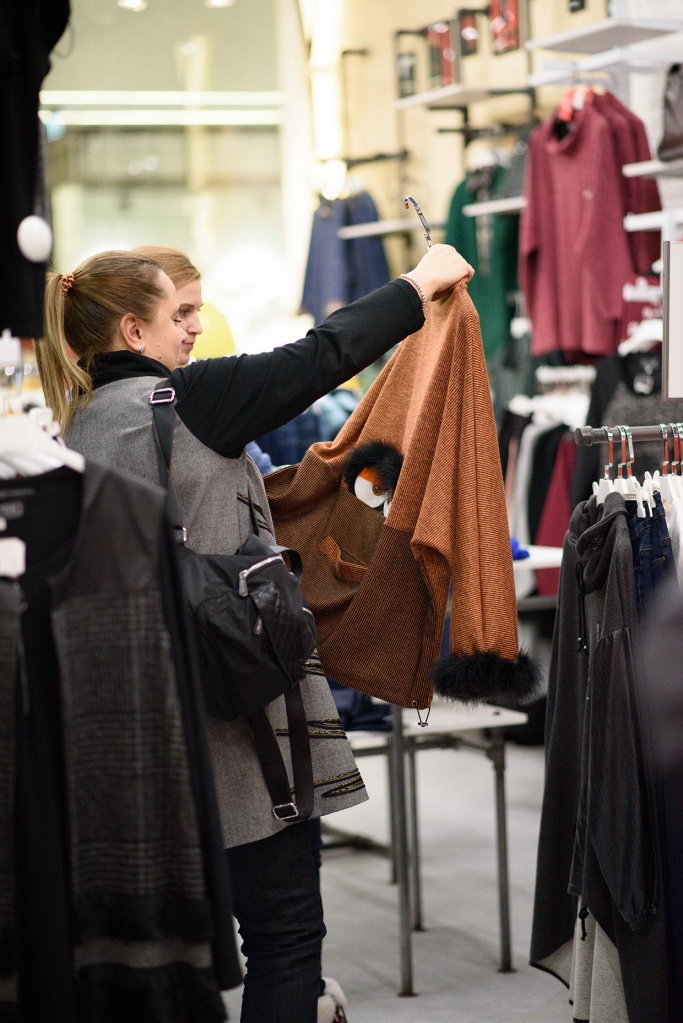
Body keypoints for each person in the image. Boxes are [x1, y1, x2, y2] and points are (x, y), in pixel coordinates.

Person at [36, 243, 473, 1023]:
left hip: (134, 730)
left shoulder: (71, 432)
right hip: (239, 721)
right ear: (133, 331)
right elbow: (320, 355)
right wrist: (419, 282)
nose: (194, 327)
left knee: (170, 960)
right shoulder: (189, 399)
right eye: (180, 313)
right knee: (284, 936)